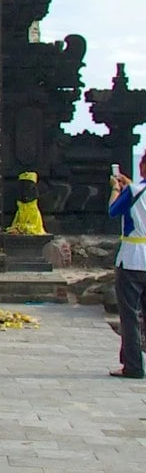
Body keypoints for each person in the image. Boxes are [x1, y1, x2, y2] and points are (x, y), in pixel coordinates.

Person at [108, 154, 146, 379]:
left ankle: (133, 365)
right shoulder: (135, 190)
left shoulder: (132, 192)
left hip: (132, 258)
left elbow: (114, 210)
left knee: (130, 315)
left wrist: (116, 189)